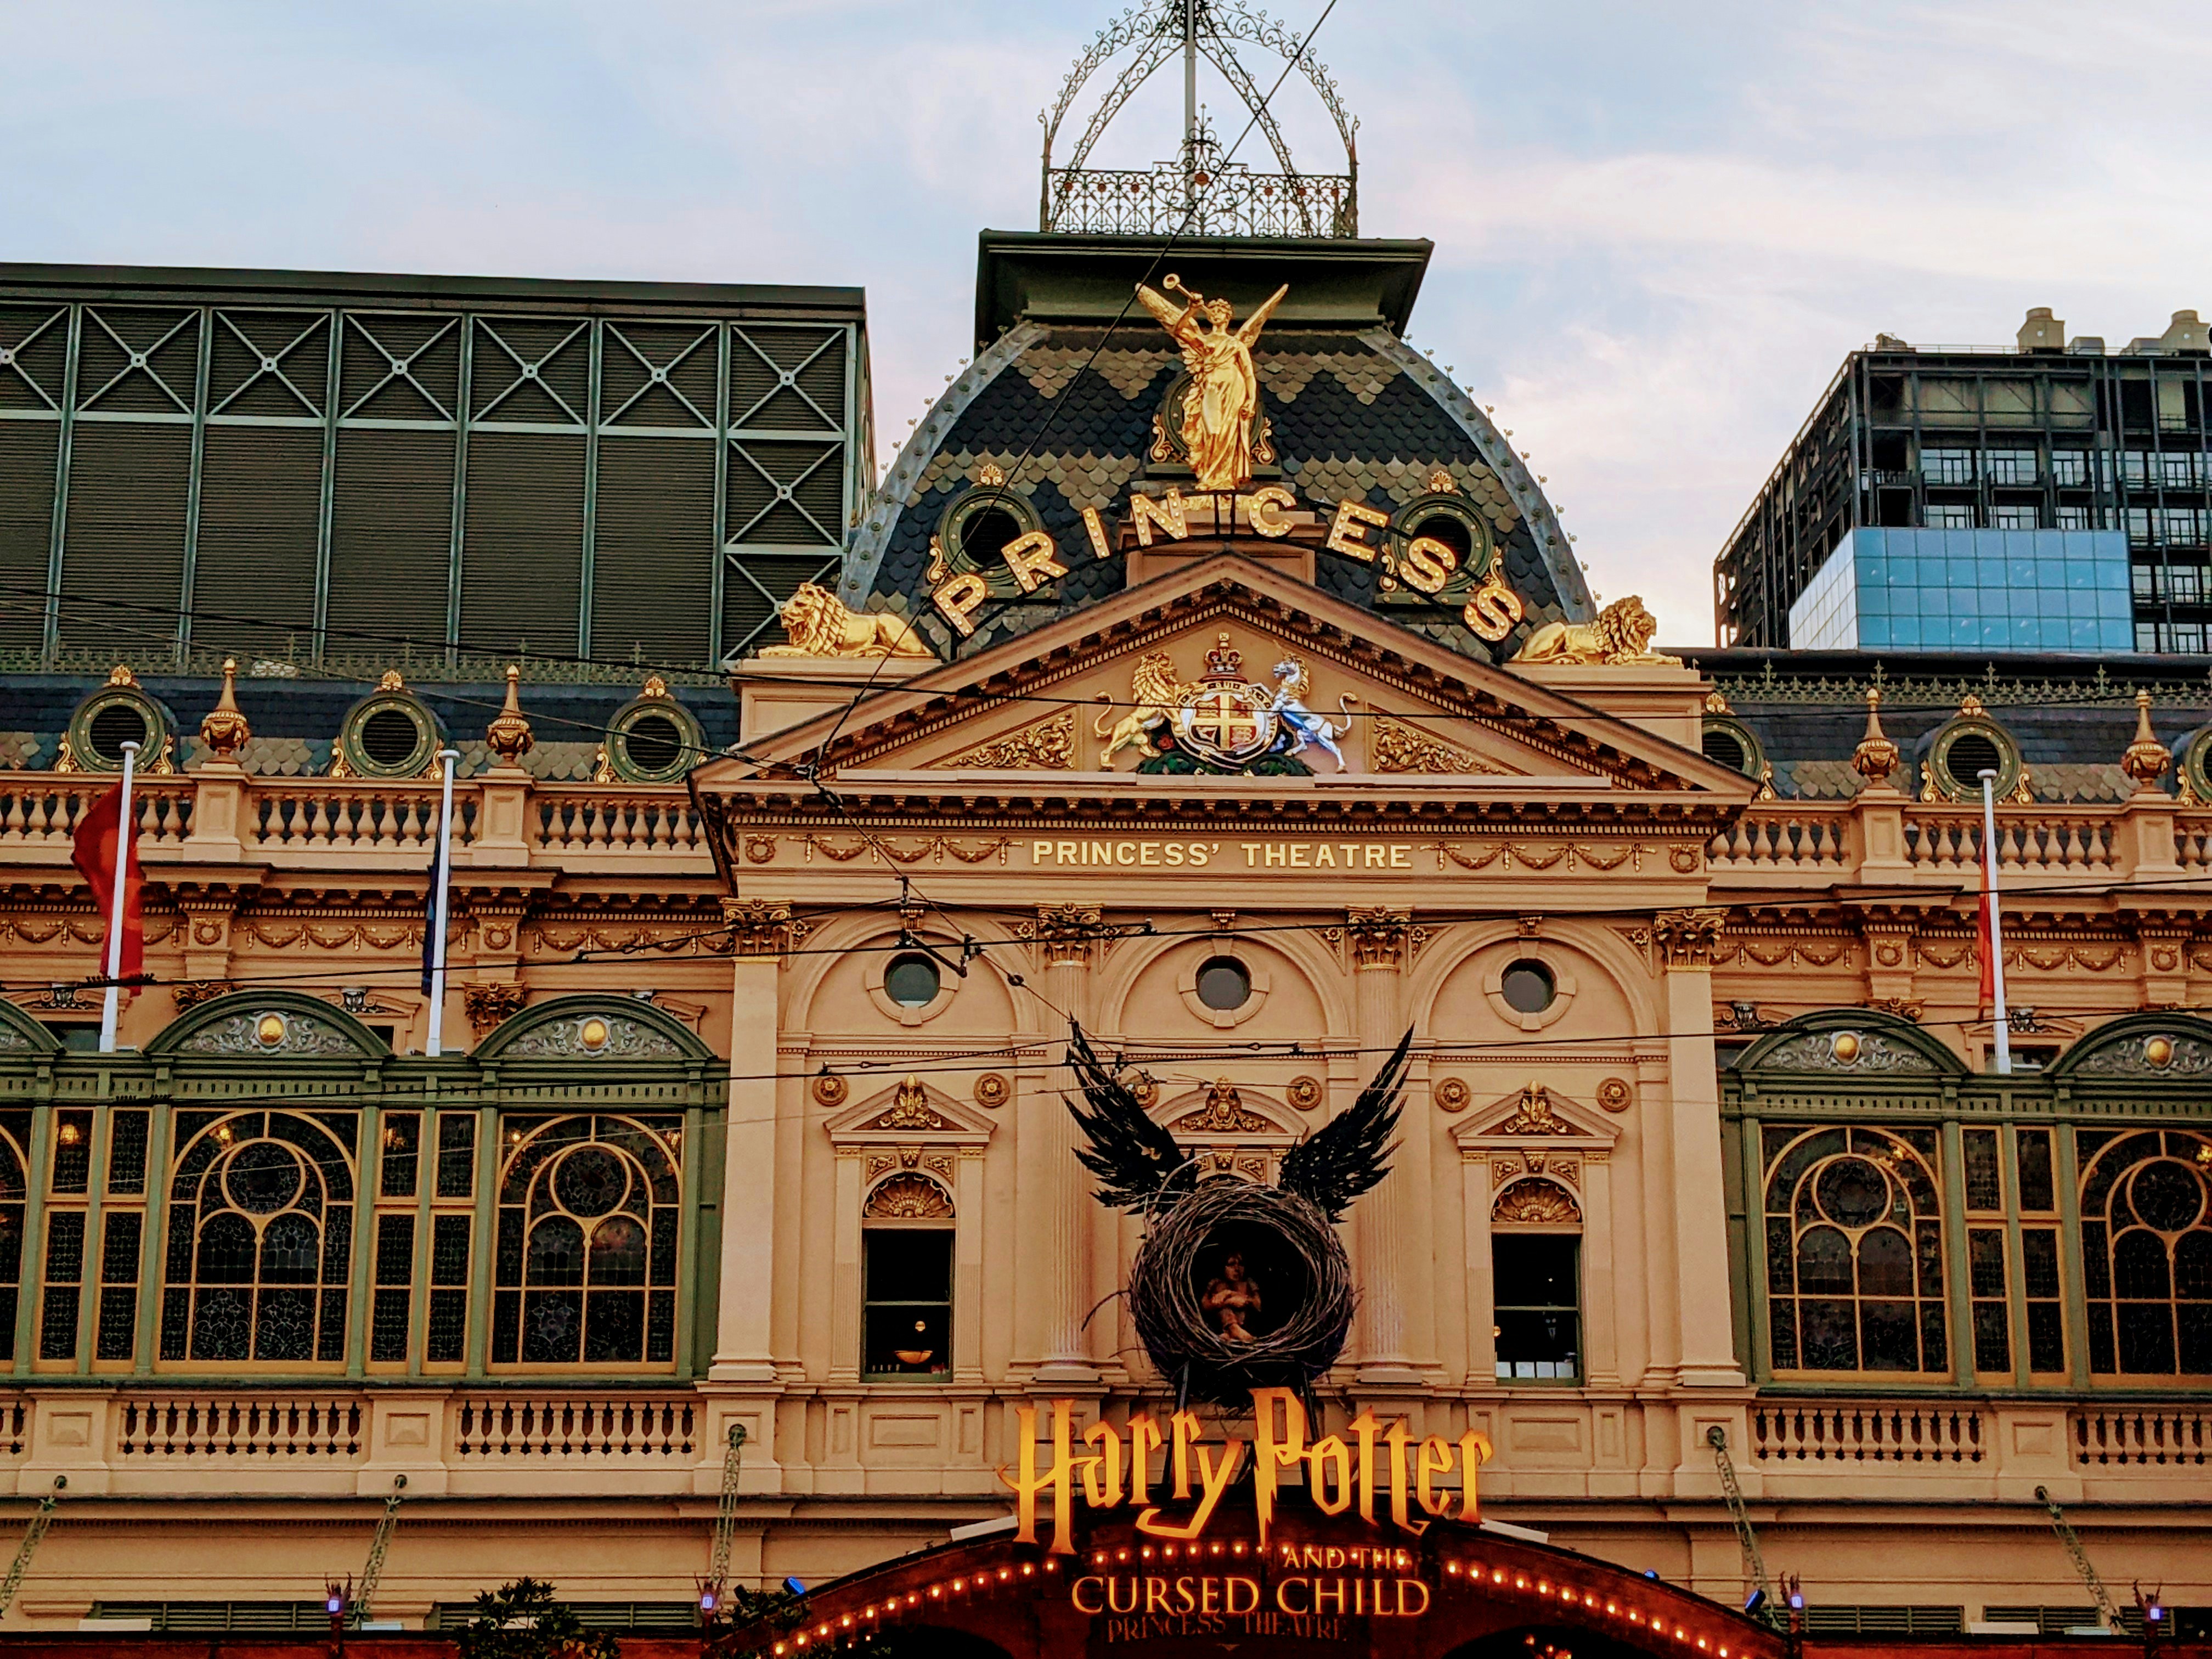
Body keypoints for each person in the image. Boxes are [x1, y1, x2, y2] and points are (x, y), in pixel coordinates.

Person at [1201, 1251, 1262, 1344]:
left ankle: (1231, 1334)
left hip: (1246, 1325)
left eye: (1241, 1264)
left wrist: (1242, 1299)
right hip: (1223, 1324)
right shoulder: (1216, 1283)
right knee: (1221, 1288)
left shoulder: (1248, 1283)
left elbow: (1258, 1305)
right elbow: (1205, 1306)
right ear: (1223, 1267)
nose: (1237, 1269)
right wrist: (1228, 1299)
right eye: (1231, 1265)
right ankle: (1233, 1328)